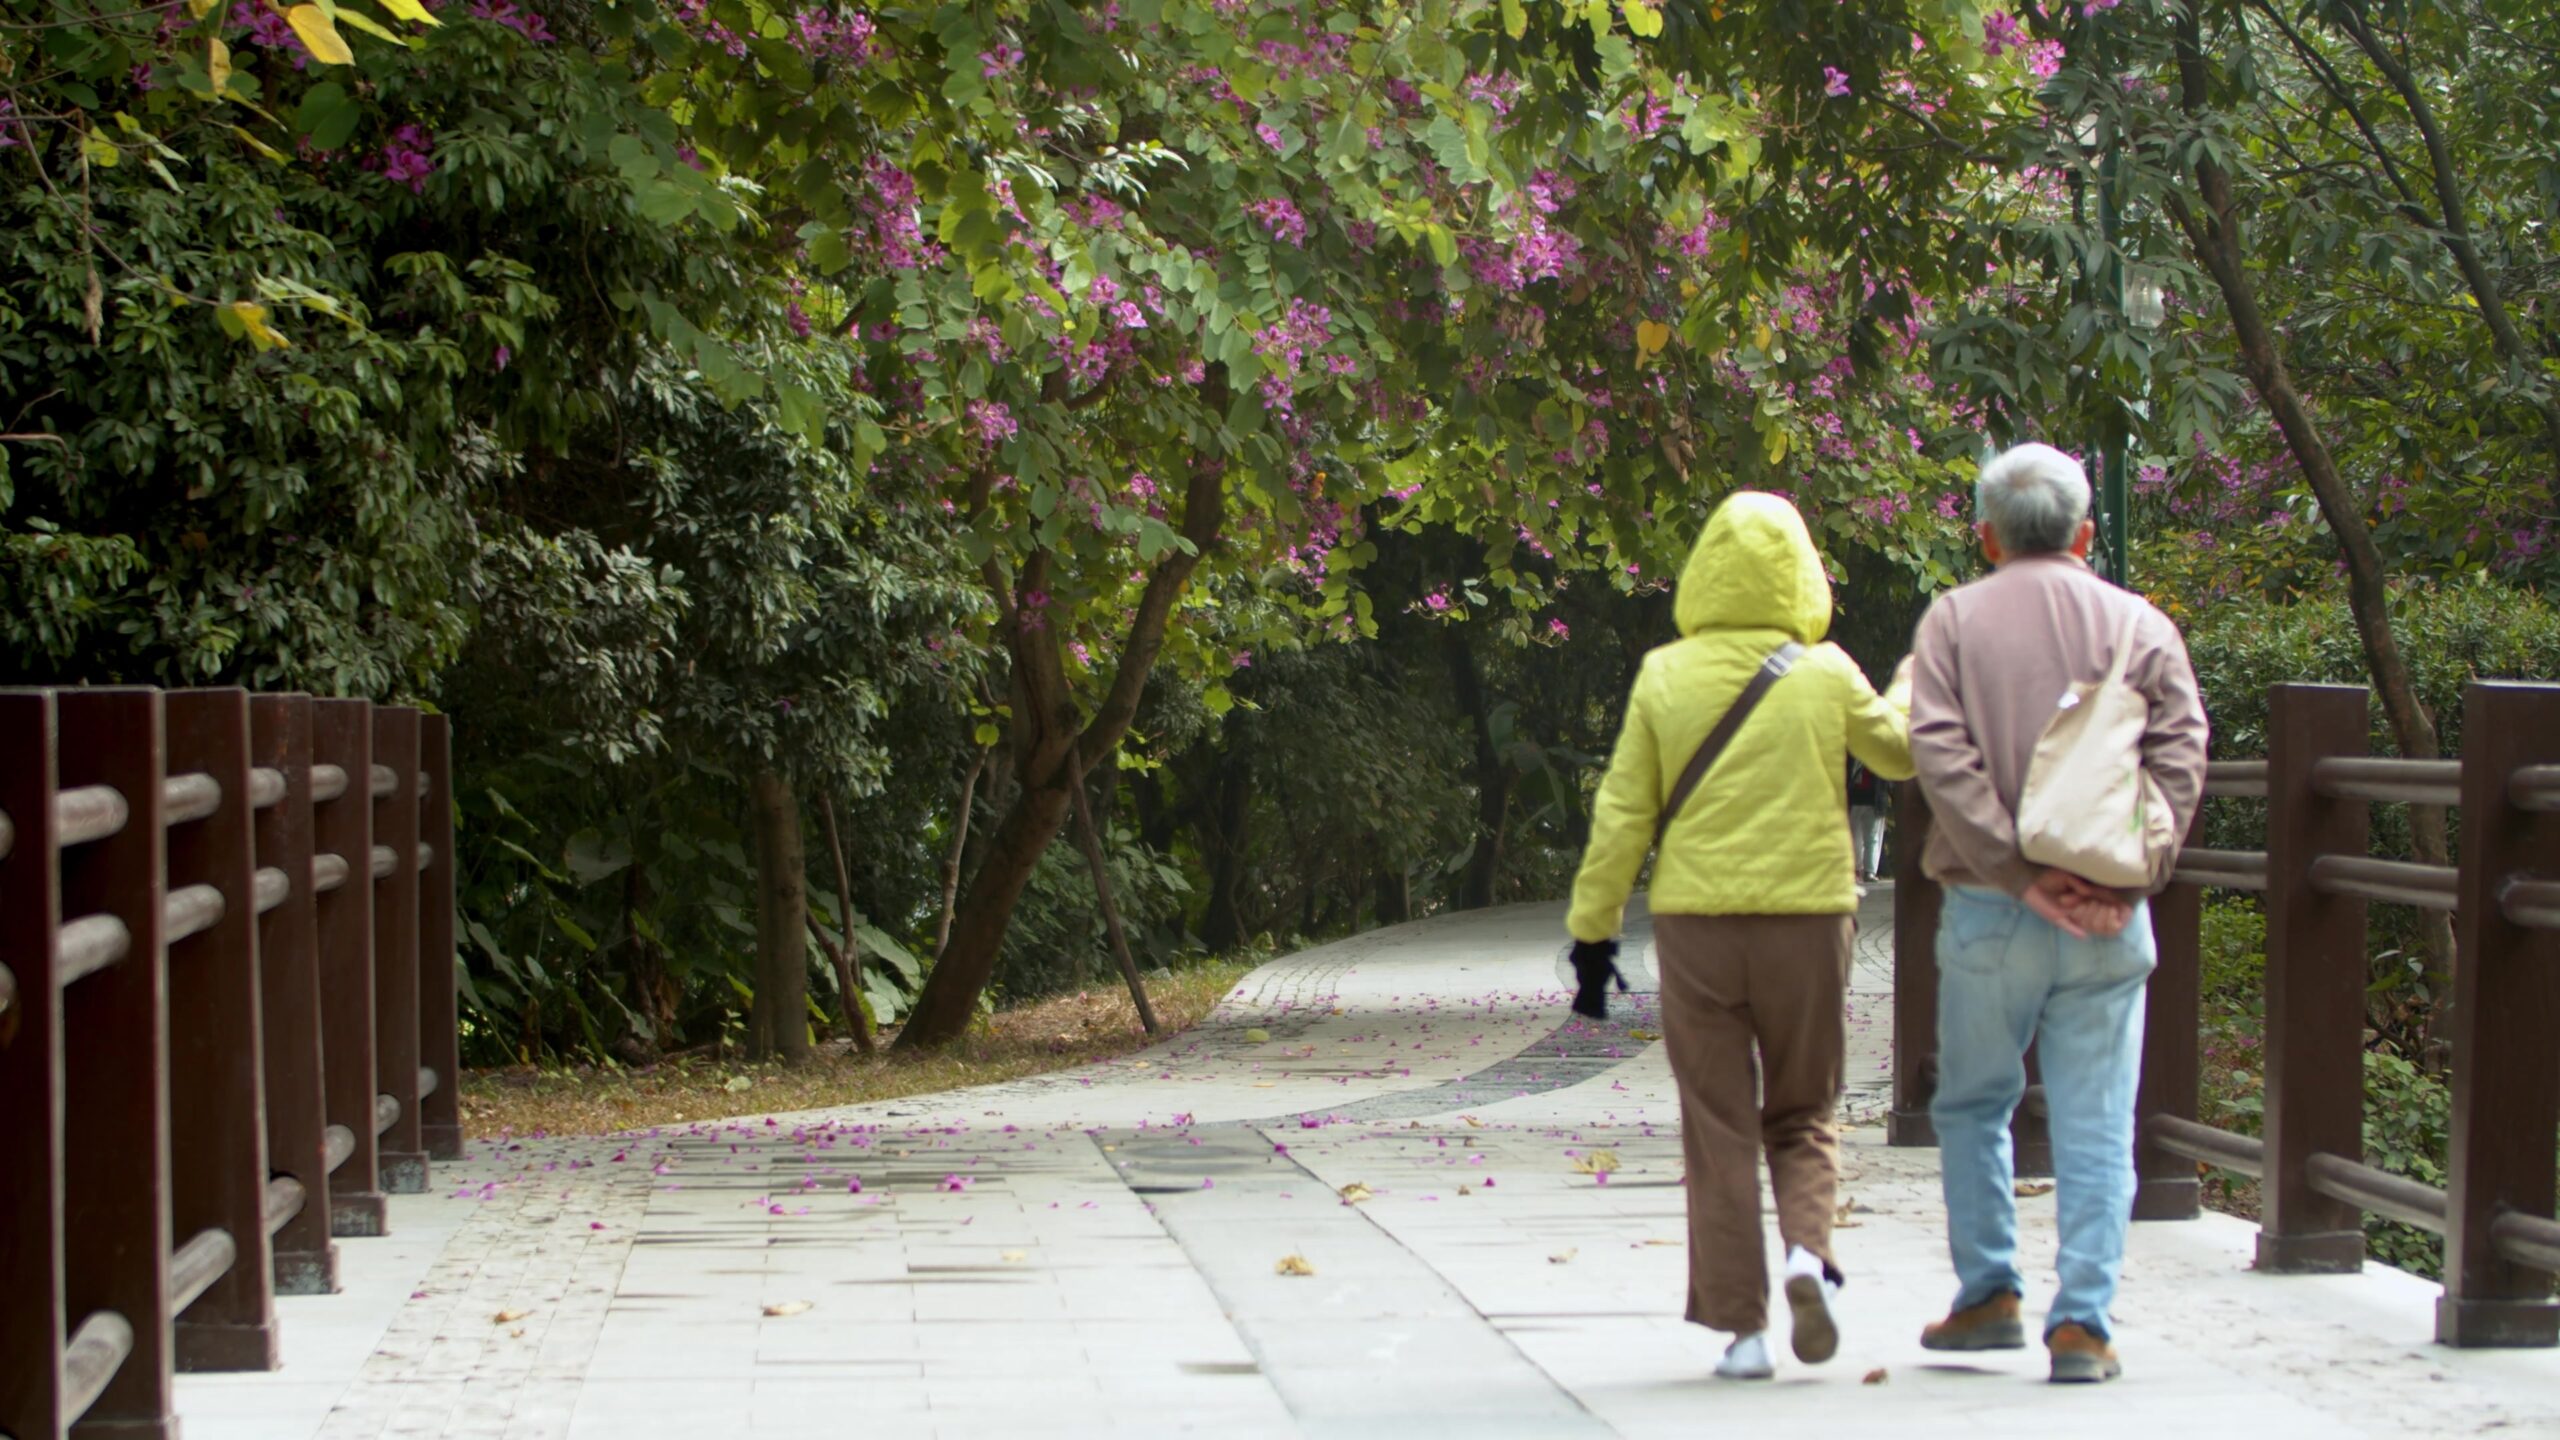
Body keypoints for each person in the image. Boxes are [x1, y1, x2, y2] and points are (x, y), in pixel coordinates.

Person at [1565, 492, 1914, 1381]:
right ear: (1802, 571)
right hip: (1807, 920)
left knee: (1717, 1123)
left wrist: (1595, 936)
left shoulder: (1664, 674)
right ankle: (1809, 1256)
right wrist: (1912, 682)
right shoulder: (1828, 670)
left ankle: (1744, 1333)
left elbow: (1622, 815)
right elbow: (1902, 755)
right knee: (1803, 1110)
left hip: (1696, 927)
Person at [1907, 443, 2207, 1384]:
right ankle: (2084, 1323)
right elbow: (2182, 750)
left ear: (1986, 536)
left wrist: (2018, 872)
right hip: (2113, 917)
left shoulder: (1953, 621)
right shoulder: (2140, 624)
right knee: (2096, 1117)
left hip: (1991, 910)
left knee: (1972, 1104)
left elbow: (1939, 756)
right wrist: (2131, 874)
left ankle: (1988, 1294)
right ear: (2086, 532)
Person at [1846, 757, 1887, 881]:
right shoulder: (1853, 756)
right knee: (1853, 836)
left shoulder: (1879, 758)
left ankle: (1869, 871)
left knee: (1871, 837)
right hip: (1855, 799)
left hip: (1873, 802)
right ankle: (1855, 869)